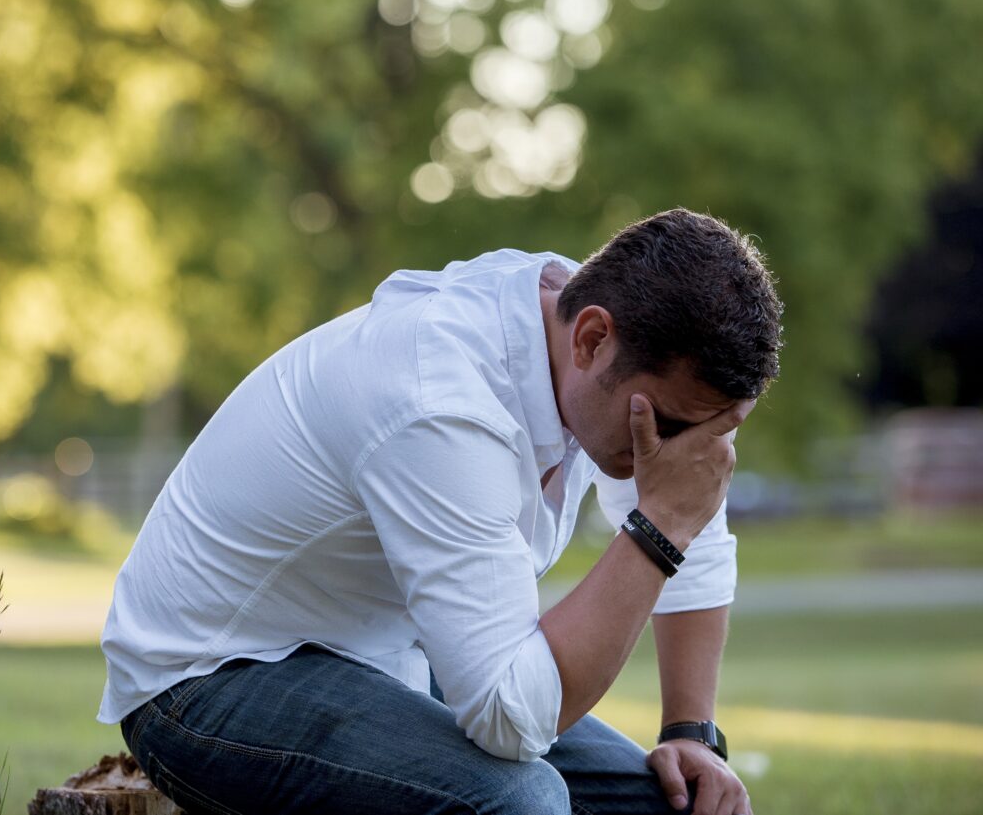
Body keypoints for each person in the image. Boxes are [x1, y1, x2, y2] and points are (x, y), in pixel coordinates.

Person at [97, 208, 783, 815]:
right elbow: (510, 718)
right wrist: (655, 531)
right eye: (670, 424)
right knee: (519, 802)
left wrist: (690, 734)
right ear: (592, 340)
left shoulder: (599, 336)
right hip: (206, 679)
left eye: (709, 436)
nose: (678, 455)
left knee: (667, 804)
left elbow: (697, 520)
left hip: (383, 652)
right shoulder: (442, 396)